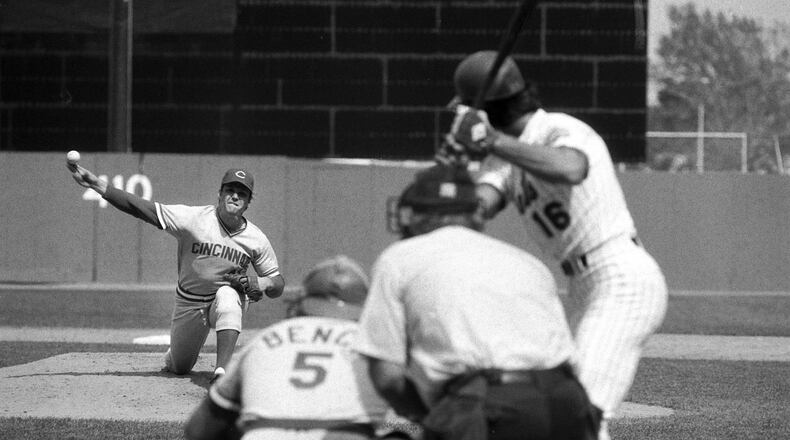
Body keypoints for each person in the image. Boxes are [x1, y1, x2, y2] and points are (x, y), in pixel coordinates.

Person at [443, 50, 669, 439]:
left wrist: (490, 139)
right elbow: (476, 211)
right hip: (583, 286)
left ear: (488, 109)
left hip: (621, 274)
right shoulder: (507, 157)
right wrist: (457, 168)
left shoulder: (558, 129)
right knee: (563, 415)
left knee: (575, 415)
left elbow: (571, 168)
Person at [354, 164, 600, 440]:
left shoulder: (398, 258)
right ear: (477, 214)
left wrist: (427, 418)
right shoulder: (528, 263)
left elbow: (388, 376)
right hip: (568, 404)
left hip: (488, 406)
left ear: (411, 215)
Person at [66, 163, 285, 382]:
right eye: (230, 190)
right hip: (190, 302)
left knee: (228, 296)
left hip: (225, 299)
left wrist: (263, 283)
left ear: (248, 203)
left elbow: (278, 283)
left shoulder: (256, 239)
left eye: (242, 193)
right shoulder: (194, 219)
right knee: (179, 367)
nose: (235, 196)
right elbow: (143, 208)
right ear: (219, 194)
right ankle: (176, 355)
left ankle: (222, 372)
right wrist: (96, 185)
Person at [184, 255, 416, 440]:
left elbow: (197, 431)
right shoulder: (371, 345)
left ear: (302, 303)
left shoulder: (264, 341)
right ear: (363, 308)